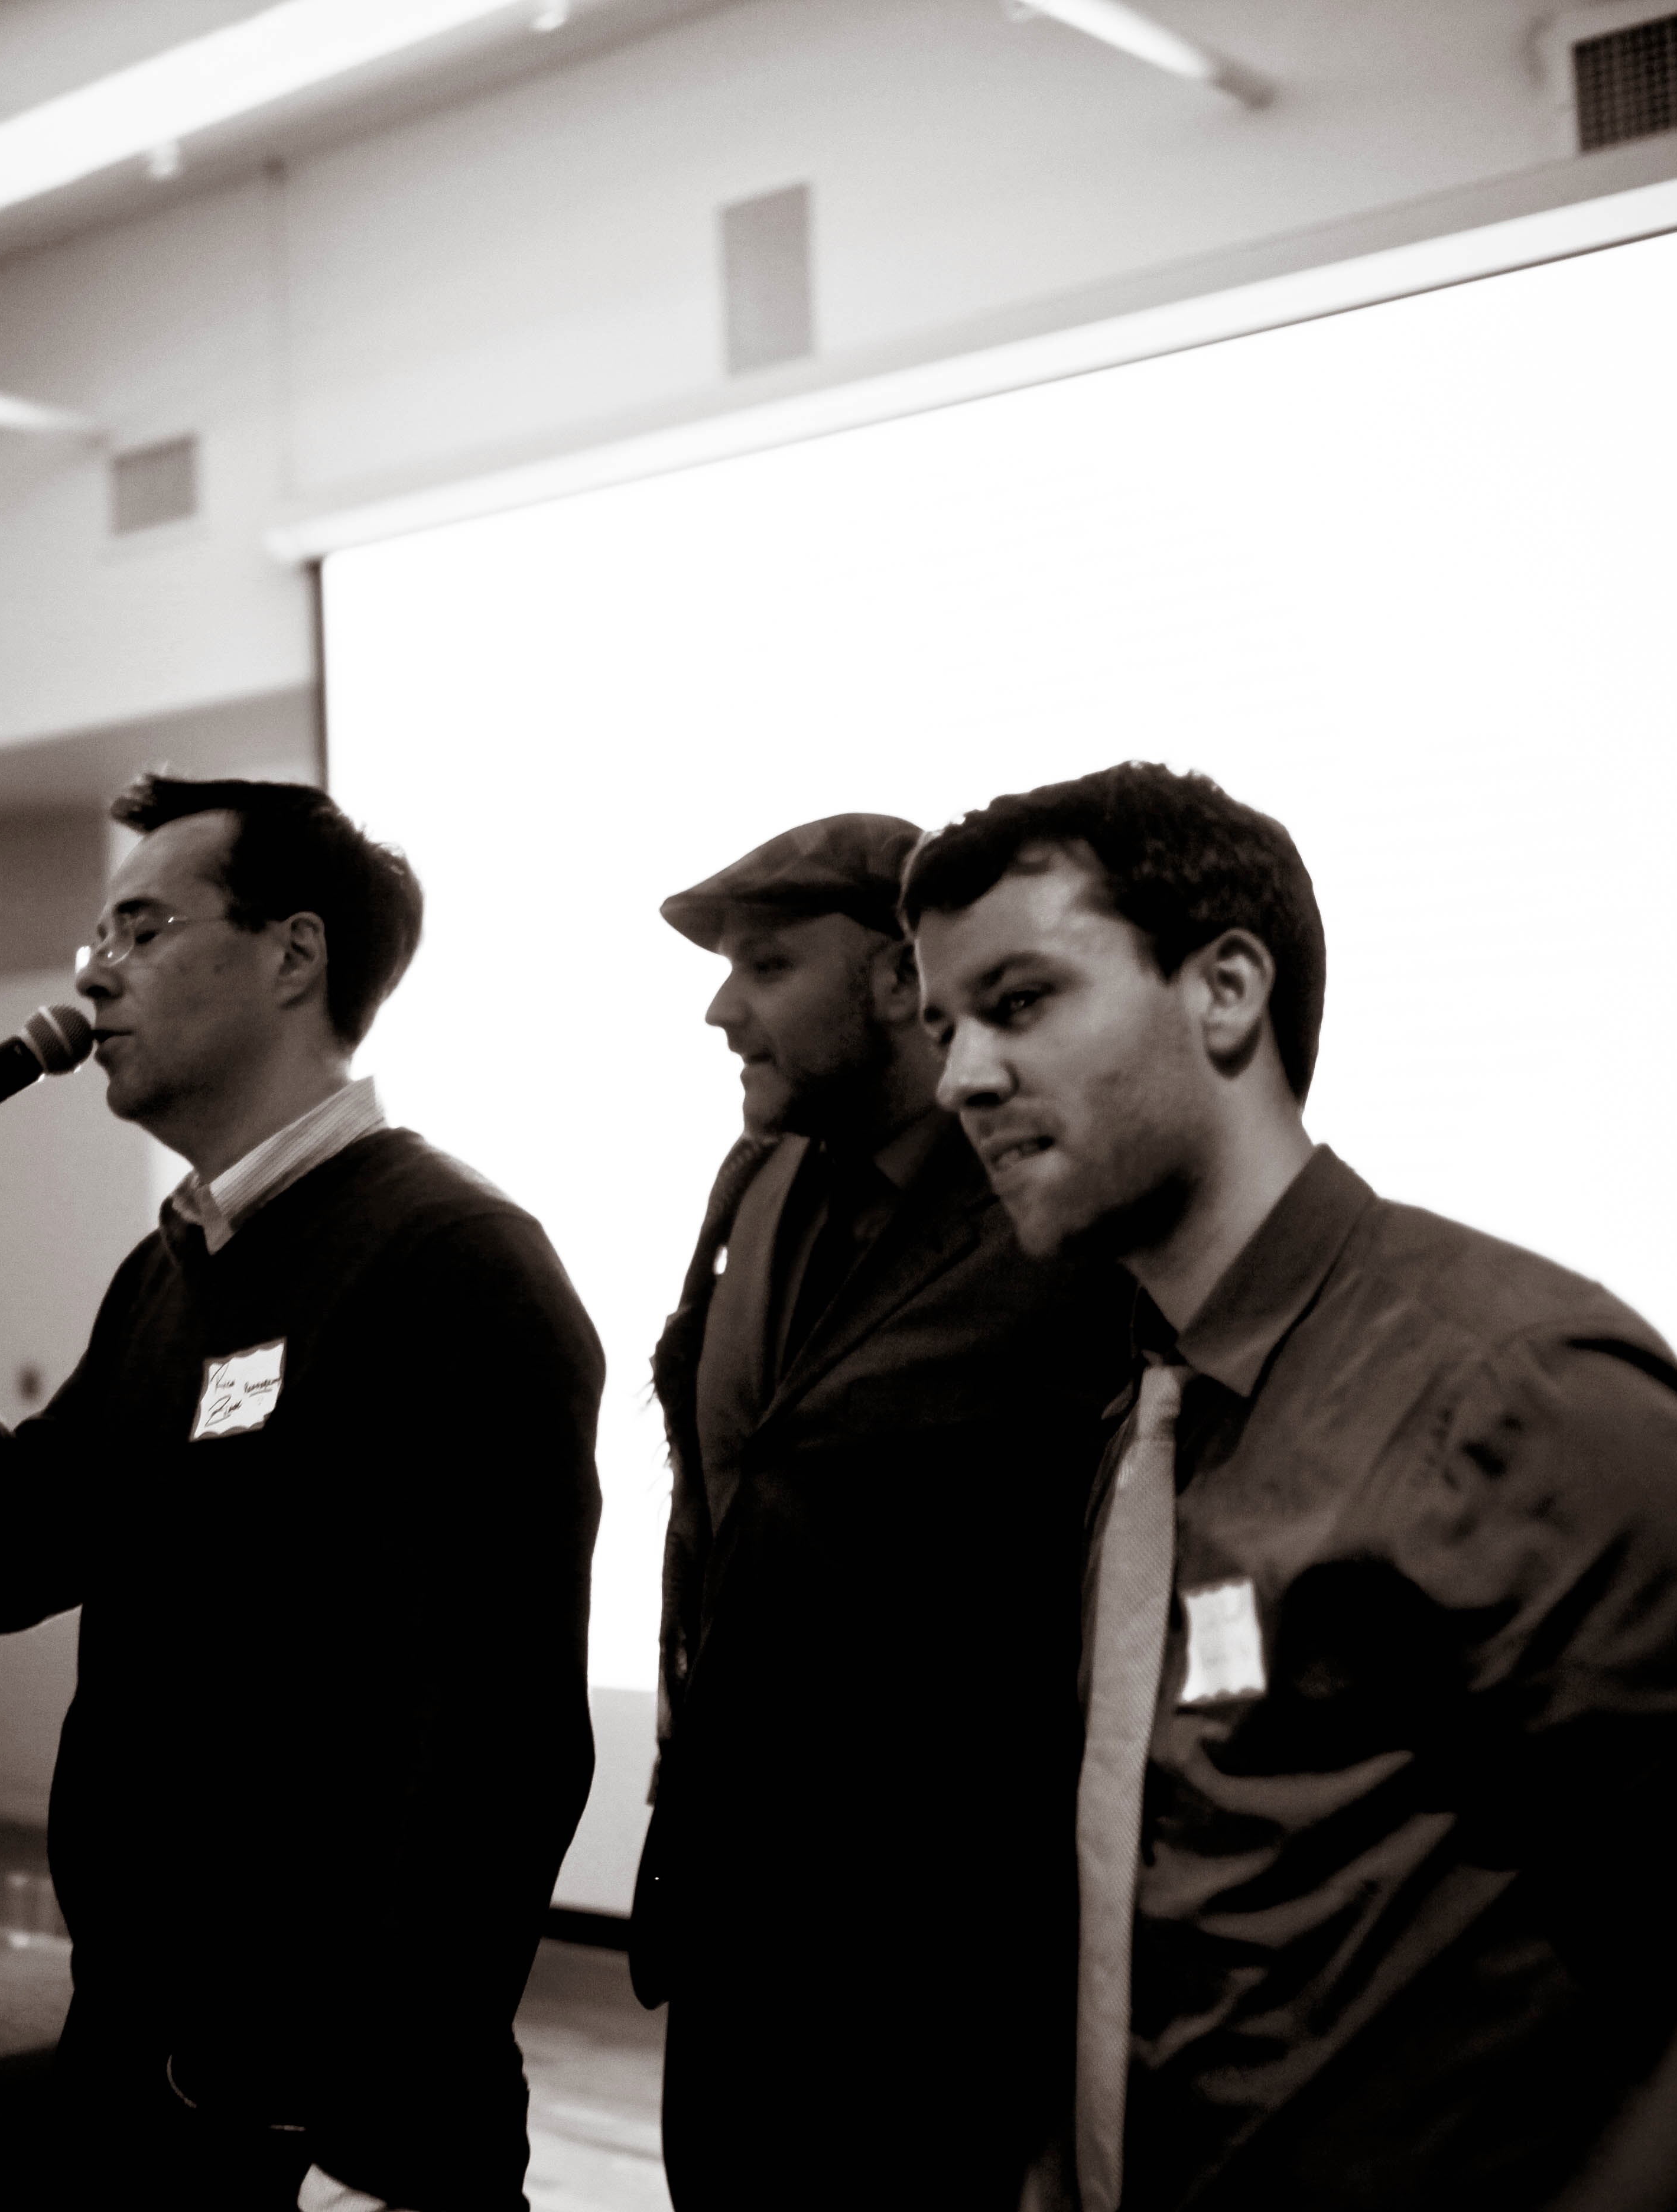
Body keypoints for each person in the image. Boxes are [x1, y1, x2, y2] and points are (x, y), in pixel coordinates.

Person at [902, 762, 1677, 2212]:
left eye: (1020, 1000)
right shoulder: (1152, 1407)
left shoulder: (1510, 1386)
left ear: (1225, 990)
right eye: (944, 1027)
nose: (960, 1078)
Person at [0, 775, 604, 2212]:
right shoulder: (171, 1268)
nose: (94, 974)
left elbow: (500, 1741)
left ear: (294, 955)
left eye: (143, 927)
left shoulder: (451, 1257)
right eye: (94, 940)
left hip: (332, 2106)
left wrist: (386, 2131)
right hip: (143, 2047)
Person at [628, 815, 1129, 2209]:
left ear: (901, 978)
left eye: (767, 964)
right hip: (734, 1938)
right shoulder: (755, 1177)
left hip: (939, 1967)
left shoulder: (1055, 1207)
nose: (723, 1010)